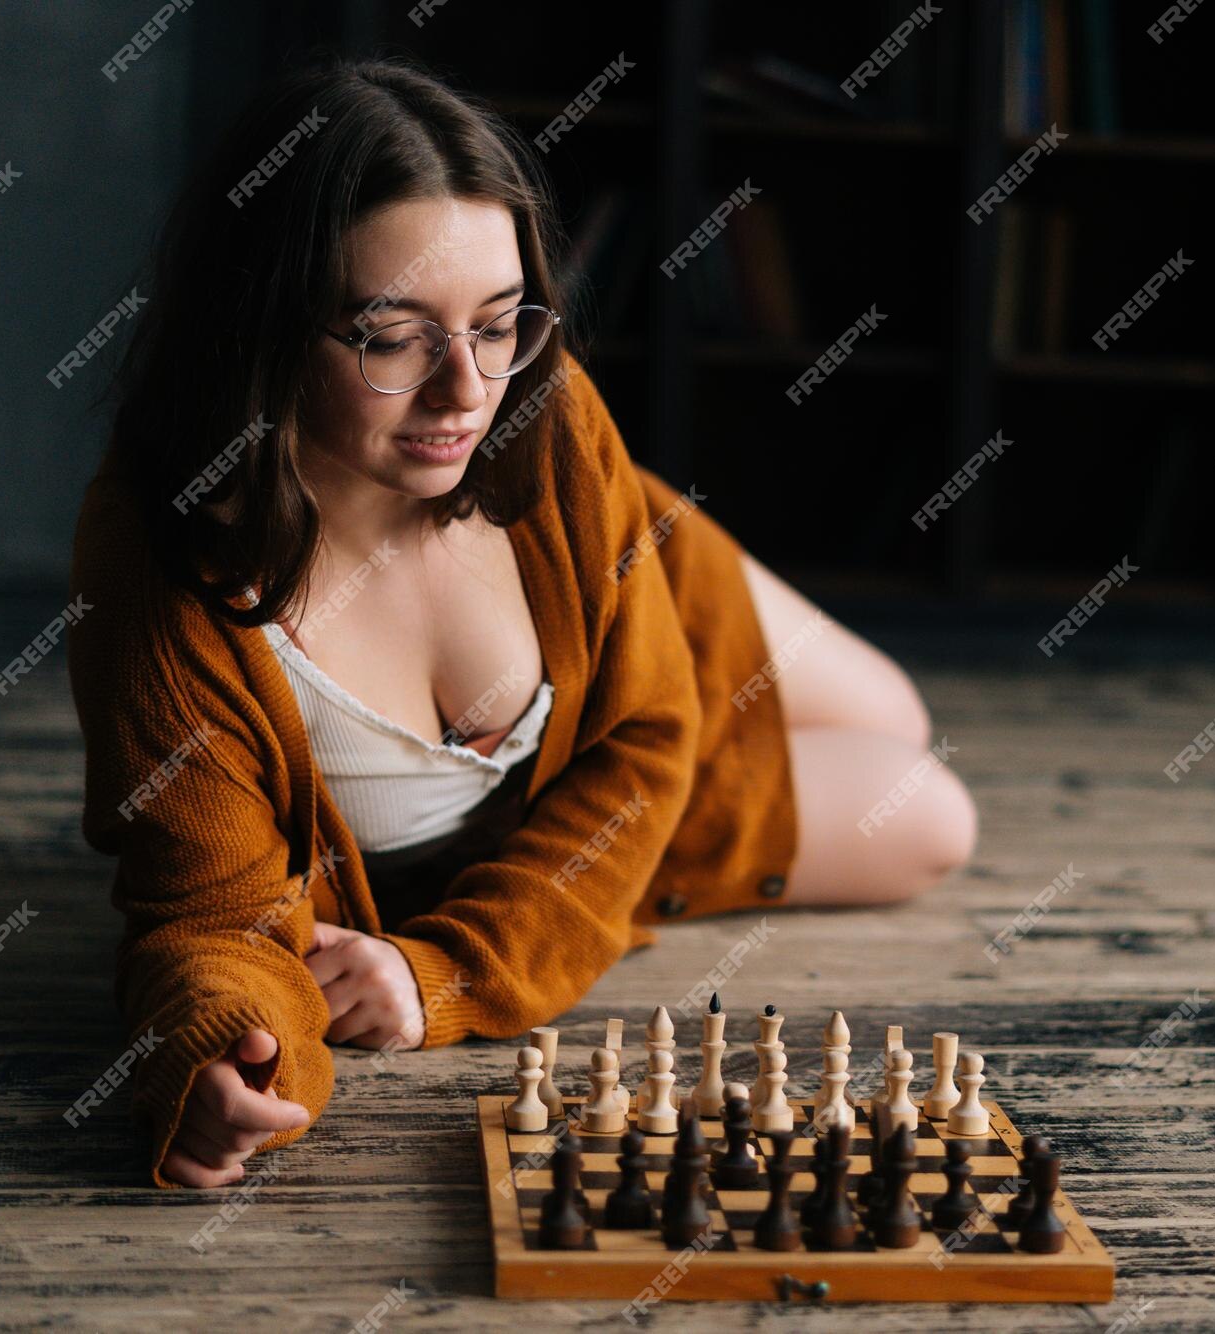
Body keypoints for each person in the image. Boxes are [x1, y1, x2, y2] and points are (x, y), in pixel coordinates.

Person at [67, 56, 977, 1189]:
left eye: (498, 322)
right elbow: (208, 916)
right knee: (930, 813)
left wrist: (454, 970)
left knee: (896, 715)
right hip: (556, 817)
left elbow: (646, 734)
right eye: (391, 335)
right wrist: (213, 1056)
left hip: (640, 572)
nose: (465, 391)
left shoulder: (536, 401)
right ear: (262, 326)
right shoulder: (157, 565)